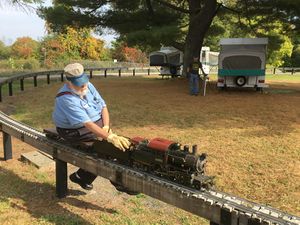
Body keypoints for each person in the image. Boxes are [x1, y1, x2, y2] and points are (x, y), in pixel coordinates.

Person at [52, 63, 131, 191]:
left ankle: (81, 176)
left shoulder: (89, 86)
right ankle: (119, 182)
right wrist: (109, 137)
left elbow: (103, 107)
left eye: (84, 82)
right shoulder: (66, 98)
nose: (83, 86)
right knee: (104, 150)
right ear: (69, 82)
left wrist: (106, 126)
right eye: (79, 84)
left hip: (96, 123)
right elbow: (87, 124)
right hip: (74, 130)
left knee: (118, 145)